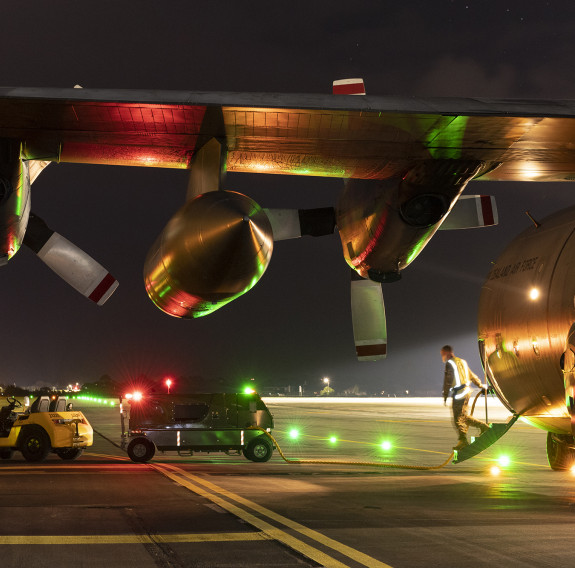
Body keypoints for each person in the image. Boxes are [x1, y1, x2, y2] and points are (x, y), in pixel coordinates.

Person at [441, 345, 490, 450]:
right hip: (467, 392)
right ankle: (483, 427)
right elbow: (471, 375)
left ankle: (463, 441)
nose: (442, 357)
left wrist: (445, 396)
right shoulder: (462, 361)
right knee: (463, 416)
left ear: (447, 353)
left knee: (457, 419)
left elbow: (448, 381)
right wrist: (480, 384)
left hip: (459, 393)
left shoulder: (449, 364)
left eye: (443, 354)